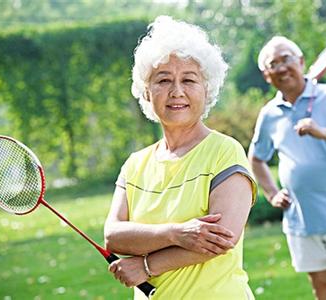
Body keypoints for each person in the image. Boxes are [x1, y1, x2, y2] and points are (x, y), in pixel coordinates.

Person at [104, 16, 257, 300]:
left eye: (189, 79)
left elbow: (221, 238)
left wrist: (147, 266)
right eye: (163, 80)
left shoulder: (225, 151)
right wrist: (176, 233)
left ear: (206, 89)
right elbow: (114, 235)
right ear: (147, 92)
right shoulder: (135, 164)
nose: (177, 91)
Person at [248, 36, 326, 300]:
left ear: (302, 62)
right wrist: (271, 193)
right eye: (274, 64)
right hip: (300, 220)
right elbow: (256, 158)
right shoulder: (269, 113)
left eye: (287, 59)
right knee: (323, 292)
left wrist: (323, 132)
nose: (282, 68)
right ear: (266, 74)